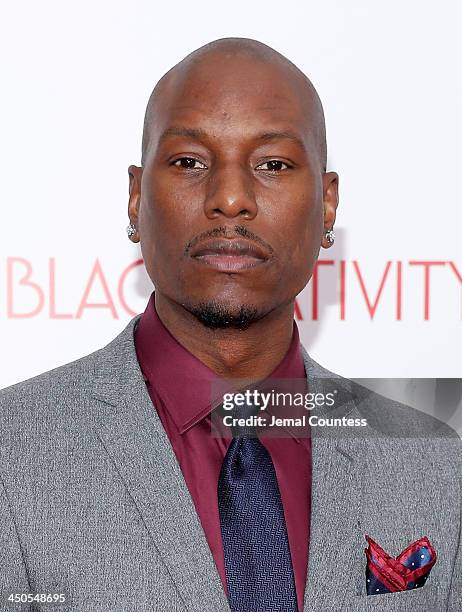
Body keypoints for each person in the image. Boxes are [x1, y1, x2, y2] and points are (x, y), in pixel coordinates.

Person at [0, 37, 460, 612]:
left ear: (328, 204)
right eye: (191, 162)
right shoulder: (12, 452)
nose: (231, 198)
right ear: (136, 197)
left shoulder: (430, 462)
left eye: (272, 165)